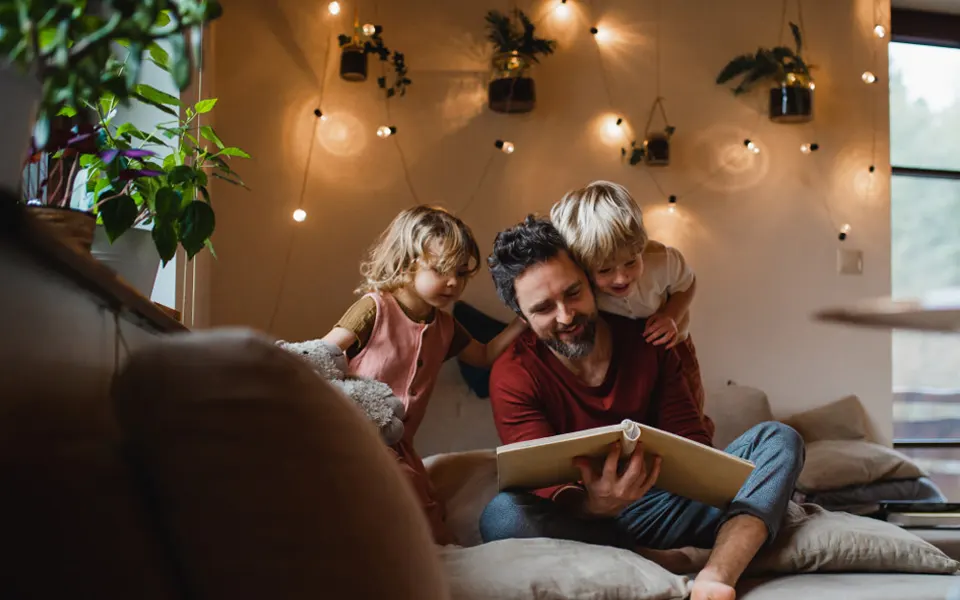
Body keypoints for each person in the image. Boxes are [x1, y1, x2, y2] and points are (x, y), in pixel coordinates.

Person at [480, 215, 804, 600]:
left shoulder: (647, 339)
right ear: (521, 316)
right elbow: (539, 484)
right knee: (502, 515)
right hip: (585, 521)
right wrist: (595, 503)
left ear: (589, 281)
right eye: (544, 308)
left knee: (779, 439)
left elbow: (692, 439)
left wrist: (698, 472)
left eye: (573, 293)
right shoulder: (512, 374)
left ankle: (717, 574)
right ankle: (657, 557)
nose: (566, 316)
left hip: (664, 504)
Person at [321, 205, 526, 545]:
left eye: (461, 273)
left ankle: (440, 561)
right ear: (408, 261)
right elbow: (322, 353)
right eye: (442, 270)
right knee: (392, 493)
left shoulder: (445, 326)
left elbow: (484, 355)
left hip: (402, 446)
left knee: (426, 507)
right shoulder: (375, 308)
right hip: (356, 435)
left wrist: (523, 319)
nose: (453, 282)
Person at [550, 180, 713, 440]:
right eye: (605, 270)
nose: (621, 278)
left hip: (673, 343)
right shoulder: (580, 285)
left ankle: (702, 451)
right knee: (643, 415)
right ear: (583, 267)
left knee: (691, 409)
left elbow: (687, 284)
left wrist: (671, 315)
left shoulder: (662, 260)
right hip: (626, 353)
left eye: (630, 262)